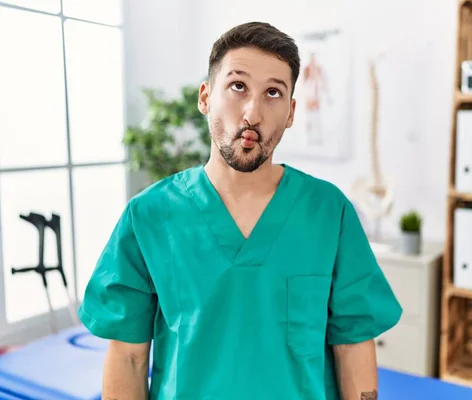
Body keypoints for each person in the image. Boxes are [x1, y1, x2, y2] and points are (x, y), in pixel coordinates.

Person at [78, 21, 402, 400]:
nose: (253, 112)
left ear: (292, 111)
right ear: (205, 97)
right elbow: (129, 358)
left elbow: (353, 344)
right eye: (237, 86)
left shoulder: (329, 212)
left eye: (273, 93)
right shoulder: (149, 216)